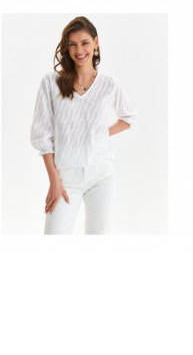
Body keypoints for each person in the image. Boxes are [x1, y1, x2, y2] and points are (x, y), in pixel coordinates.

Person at [30, 16, 137, 234]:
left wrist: (100, 132)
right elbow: (42, 136)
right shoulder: (51, 83)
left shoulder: (109, 85)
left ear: (96, 43)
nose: (79, 50)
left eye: (85, 43)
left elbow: (128, 118)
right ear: (67, 48)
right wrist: (54, 181)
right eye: (72, 44)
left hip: (102, 175)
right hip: (66, 177)